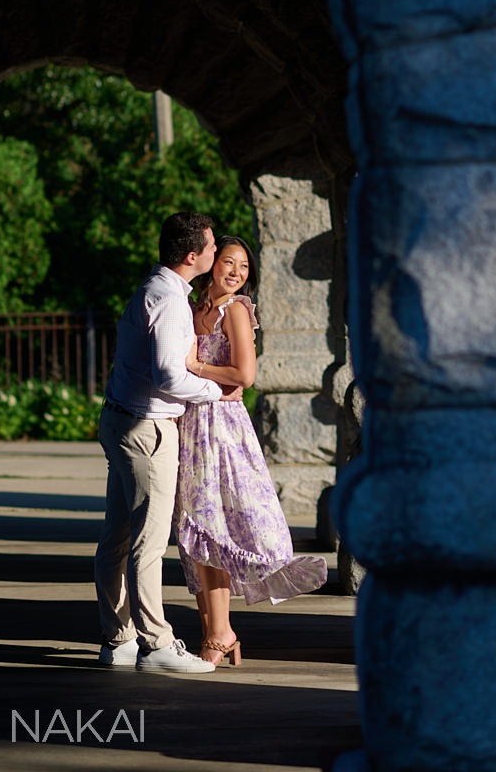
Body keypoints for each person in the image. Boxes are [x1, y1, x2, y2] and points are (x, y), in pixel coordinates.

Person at [94, 212, 246, 674]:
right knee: (148, 542)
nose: (217, 252)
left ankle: (118, 639)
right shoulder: (170, 300)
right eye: (211, 246)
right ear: (192, 255)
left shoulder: (152, 290)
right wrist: (216, 391)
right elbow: (168, 374)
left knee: (117, 538)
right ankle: (156, 644)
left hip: (122, 421)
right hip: (147, 429)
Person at [174, 235, 328, 666]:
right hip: (192, 427)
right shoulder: (193, 309)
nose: (236, 272)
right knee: (194, 530)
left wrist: (196, 368)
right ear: (210, 264)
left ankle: (220, 636)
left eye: (243, 266)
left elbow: (246, 373)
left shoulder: (237, 310)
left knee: (214, 528)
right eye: (228, 262)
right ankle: (212, 632)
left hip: (223, 429)